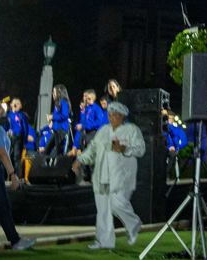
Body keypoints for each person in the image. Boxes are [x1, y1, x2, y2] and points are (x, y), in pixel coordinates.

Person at [74, 101, 146, 249]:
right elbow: (92, 149)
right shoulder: (103, 131)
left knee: (116, 203)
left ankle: (133, 223)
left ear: (122, 116)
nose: (112, 117)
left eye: (115, 115)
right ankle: (104, 242)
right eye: (110, 114)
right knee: (103, 211)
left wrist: (125, 148)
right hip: (101, 176)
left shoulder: (131, 130)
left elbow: (140, 149)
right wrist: (80, 160)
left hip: (122, 176)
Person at [0, 103, 37, 251]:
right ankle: (15, 240)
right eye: (2, 112)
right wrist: (12, 174)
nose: (6, 116)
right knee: (2, 205)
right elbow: (1, 152)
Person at [6, 97, 32, 172]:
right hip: (9, 137)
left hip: (18, 137)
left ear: (21, 106)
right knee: (8, 156)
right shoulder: (8, 114)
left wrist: (25, 141)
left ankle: (17, 175)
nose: (16, 105)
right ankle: (7, 174)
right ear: (11, 104)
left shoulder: (22, 115)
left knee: (16, 156)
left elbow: (25, 128)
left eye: (18, 103)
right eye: (14, 103)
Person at [49, 85, 72, 157]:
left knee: (58, 151)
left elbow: (65, 115)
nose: (53, 94)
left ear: (59, 92)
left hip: (61, 129)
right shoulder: (57, 103)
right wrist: (52, 121)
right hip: (56, 129)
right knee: (51, 149)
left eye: (54, 92)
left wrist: (53, 116)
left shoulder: (63, 102)